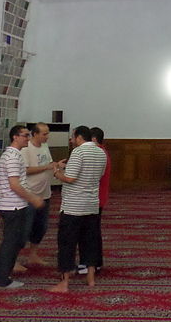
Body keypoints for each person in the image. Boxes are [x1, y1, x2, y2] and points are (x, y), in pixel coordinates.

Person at [49, 125, 107, 293]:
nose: (71, 140)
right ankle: (90, 278)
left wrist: (56, 172)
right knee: (89, 242)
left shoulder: (78, 152)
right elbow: (98, 175)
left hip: (73, 207)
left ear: (79, 137)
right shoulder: (100, 152)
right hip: (91, 205)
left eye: (73, 137)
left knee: (67, 243)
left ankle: (64, 282)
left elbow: (70, 178)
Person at [0, 125, 45, 289]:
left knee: (11, 241)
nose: (28, 138)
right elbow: (14, 185)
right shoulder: (13, 157)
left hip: (15, 204)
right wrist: (33, 199)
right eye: (25, 135)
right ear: (15, 137)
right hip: (13, 206)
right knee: (11, 242)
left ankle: (0, 274)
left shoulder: (14, 155)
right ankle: (2, 278)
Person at [22, 122, 64, 267]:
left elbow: (49, 162)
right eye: (44, 134)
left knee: (41, 227)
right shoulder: (26, 148)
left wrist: (56, 165)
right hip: (29, 194)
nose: (48, 136)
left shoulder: (45, 147)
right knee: (24, 227)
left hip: (45, 193)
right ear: (35, 134)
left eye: (48, 133)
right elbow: (25, 169)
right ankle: (12, 259)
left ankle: (33, 255)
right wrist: (46, 167)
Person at [77, 126, 110, 275]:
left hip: (93, 198)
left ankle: (90, 263)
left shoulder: (98, 153)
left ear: (94, 140)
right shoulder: (102, 152)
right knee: (92, 232)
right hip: (97, 197)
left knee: (89, 232)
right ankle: (94, 262)